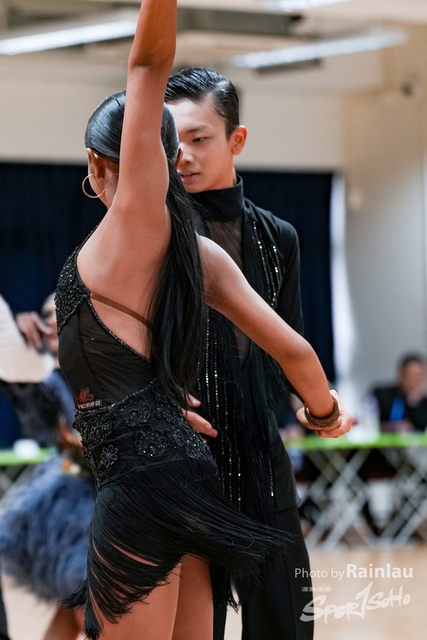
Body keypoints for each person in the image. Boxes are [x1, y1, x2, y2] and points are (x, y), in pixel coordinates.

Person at [55, 2, 348, 639]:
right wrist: (327, 415)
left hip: (145, 490)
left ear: (97, 162)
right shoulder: (199, 253)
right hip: (191, 476)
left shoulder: (131, 228)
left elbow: (147, 64)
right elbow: (297, 351)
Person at [165, 67, 353, 640]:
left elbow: (288, 344)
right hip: (181, 461)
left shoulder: (278, 237)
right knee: (196, 630)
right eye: (171, 142)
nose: (182, 156)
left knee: (288, 624)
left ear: (236, 140)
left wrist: (321, 406)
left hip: (263, 459)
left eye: (199, 138)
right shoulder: (153, 234)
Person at [0, 294, 94, 640]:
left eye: (62, 312)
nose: (52, 320)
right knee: (80, 606)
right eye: (45, 315)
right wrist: (17, 348)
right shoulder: (45, 376)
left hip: (115, 498)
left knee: (83, 608)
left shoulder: (107, 369)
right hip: (73, 501)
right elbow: (37, 423)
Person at [372, 353, 427, 432]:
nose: (413, 383)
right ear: (401, 374)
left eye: (417, 378)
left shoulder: (424, 404)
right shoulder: (382, 395)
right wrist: (390, 427)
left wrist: (414, 404)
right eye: (409, 377)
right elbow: (367, 422)